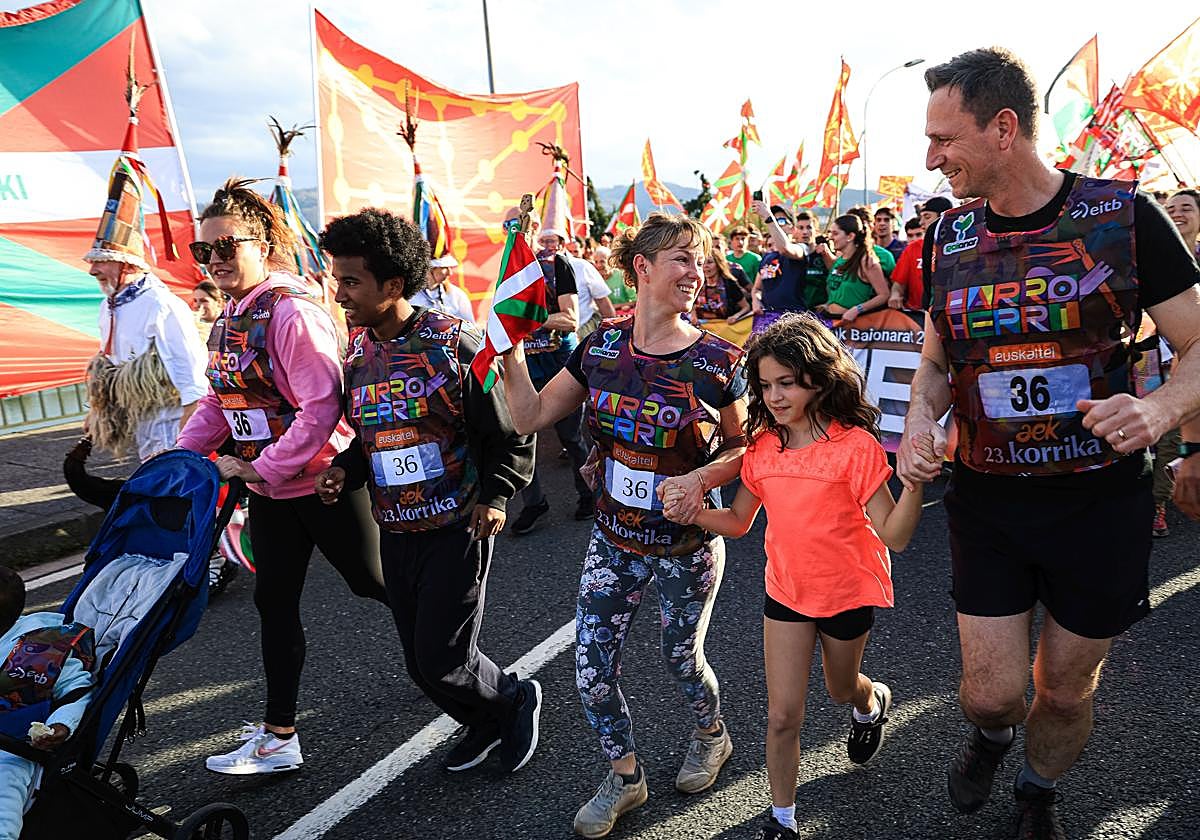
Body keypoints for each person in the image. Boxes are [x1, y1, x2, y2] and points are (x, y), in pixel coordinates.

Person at [898, 47, 1200, 840]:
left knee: (1066, 688)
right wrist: (917, 425)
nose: (930, 160)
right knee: (991, 692)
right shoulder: (948, 238)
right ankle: (994, 736)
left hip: (1100, 500)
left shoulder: (1123, 219)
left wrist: (1162, 408)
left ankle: (1037, 790)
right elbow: (935, 363)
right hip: (989, 498)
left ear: (1004, 129)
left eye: (943, 138)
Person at [501, 213, 748, 838]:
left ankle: (710, 735)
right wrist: (505, 351)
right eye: (682, 260)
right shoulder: (602, 347)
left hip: (684, 545)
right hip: (613, 542)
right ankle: (625, 776)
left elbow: (749, 447)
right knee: (591, 665)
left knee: (679, 658)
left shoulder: (719, 360)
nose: (697, 273)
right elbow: (529, 416)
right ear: (641, 267)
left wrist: (700, 481)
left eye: (701, 261)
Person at [669, 314, 923, 840]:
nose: (776, 395)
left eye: (786, 382)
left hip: (847, 593)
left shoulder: (855, 446)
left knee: (839, 689)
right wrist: (690, 512)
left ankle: (869, 702)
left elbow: (894, 536)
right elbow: (738, 523)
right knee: (782, 715)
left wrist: (917, 484)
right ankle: (782, 818)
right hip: (785, 593)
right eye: (765, 385)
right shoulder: (764, 448)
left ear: (818, 377)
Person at [314, 208, 542, 774]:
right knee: (421, 664)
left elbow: (507, 429)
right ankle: (483, 721)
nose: (339, 294)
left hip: (457, 523)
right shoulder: (357, 351)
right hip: (396, 527)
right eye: (336, 279)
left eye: (351, 281)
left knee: (442, 657)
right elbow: (372, 434)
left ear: (393, 284)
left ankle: (513, 702)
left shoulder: (450, 345)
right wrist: (347, 468)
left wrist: (496, 495)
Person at [178, 178, 389, 776]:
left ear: (264, 242)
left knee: (377, 585)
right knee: (274, 603)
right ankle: (279, 737)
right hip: (269, 490)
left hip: (322, 483)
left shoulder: (292, 312)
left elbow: (321, 408)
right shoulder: (227, 319)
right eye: (205, 251)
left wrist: (258, 465)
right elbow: (222, 402)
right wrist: (181, 457)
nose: (215, 260)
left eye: (227, 247)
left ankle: (469, 673)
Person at [82, 186, 209, 464]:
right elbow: (110, 362)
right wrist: (97, 411)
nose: (93, 270)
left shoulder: (162, 305)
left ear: (127, 264)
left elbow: (192, 378)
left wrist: (189, 439)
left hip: (174, 424)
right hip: (145, 423)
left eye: (101, 261)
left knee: (187, 497)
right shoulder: (108, 306)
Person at [508, 212, 594, 533]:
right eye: (508, 229)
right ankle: (535, 504)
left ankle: (588, 493)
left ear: (532, 231)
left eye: (518, 228)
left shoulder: (558, 266)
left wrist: (527, 318)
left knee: (571, 437)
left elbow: (570, 320)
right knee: (521, 436)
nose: (513, 234)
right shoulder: (508, 273)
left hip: (560, 363)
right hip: (524, 365)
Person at [0, 567, 95, 840]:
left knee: (3, 794)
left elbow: (76, 692)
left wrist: (60, 725)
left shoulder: (45, 651)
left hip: (14, 750)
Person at [750, 203, 828, 333]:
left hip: (792, 320)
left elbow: (785, 248)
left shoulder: (802, 249)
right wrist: (755, 300)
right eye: (775, 219)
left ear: (792, 229)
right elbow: (757, 288)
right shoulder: (767, 257)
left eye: (781, 220)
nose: (777, 224)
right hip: (766, 319)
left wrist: (768, 217)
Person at [818, 214, 891, 321]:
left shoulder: (866, 261)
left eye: (835, 233)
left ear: (850, 236)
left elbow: (884, 295)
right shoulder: (840, 259)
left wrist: (857, 309)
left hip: (854, 326)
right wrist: (828, 305)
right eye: (830, 233)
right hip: (832, 321)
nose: (831, 237)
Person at [888, 196, 952, 311]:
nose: (922, 222)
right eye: (921, 217)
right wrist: (895, 295)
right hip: (918, 317)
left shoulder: (960, 246)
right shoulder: (913, 248)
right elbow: (898, 284)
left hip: (950, 312)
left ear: (944, 217)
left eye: (927, 217)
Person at [409, 253, 475, 322]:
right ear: (430, 269)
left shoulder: (457, 295)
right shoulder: (411, 296)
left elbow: (470, 327)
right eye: (445, 267)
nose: (450, 273)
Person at [692, 248, 750, 324]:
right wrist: (693, 316)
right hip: (703, 327)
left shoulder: (729, 283)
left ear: (718, 264)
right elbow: (693, 305)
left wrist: (735, 316)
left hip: (725, 328)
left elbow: (746, 307)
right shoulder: (697, 283)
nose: (705, 266)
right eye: (702, 263)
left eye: (710, 262)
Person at [594, 245, 636, 313]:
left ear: (610, 262)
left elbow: (635, 301)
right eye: (596, 262)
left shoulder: (622, 275)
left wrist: (613, 307)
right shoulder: (594, 279)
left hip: (624, 316)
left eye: (602, 261)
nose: (598, 265)